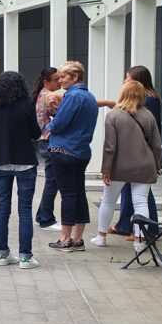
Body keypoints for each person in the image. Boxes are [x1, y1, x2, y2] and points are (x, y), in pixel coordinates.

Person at [90, 81, 162, 252]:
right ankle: (139, 240)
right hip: (144, 166)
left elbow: (110, 147)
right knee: (141, 202)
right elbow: (156, 145)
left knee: (108, 200)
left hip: (119, 167)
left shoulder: (113, 116)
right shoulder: (148, 115)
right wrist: (157, 165)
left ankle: (101, 237)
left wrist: (105, 169)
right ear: (141, 95)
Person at [0, 71, 42, 269]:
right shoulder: (27, 105)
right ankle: (25, 257)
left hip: (1, 162)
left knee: (3, 208)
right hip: (25, 160)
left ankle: (2, 254)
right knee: (25, 210)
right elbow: (36, 132)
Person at [45, 61, 99, 252]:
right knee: (79, 193)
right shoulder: (90, 97)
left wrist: (48, 127)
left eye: (63, 77)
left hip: (64, 150)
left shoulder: (73, 96)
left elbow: (60, 124)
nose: (60, 81)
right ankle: (77, 238)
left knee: (68, 194)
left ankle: (65, 239)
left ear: (75, 77)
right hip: (81, 151)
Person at [110, 65, 162, 241]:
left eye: (128, 77)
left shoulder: (148, 100)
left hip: (139, 152)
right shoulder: (151, 98)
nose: (125, 80)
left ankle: (148, 229)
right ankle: (126, 225)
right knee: (131, 191)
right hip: (138, 153)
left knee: (142, 195)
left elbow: (149, 131)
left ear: (137, 79)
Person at [32, 67, 63, 232]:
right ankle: (46, 219)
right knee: (53, 181)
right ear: (46, 81)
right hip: (48, 140)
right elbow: (63, 115)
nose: (60, 81)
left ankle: (41, 216)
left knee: (52, 180)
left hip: (43, 141)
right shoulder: (49, 96)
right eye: (56, 78)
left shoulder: (41, 94)